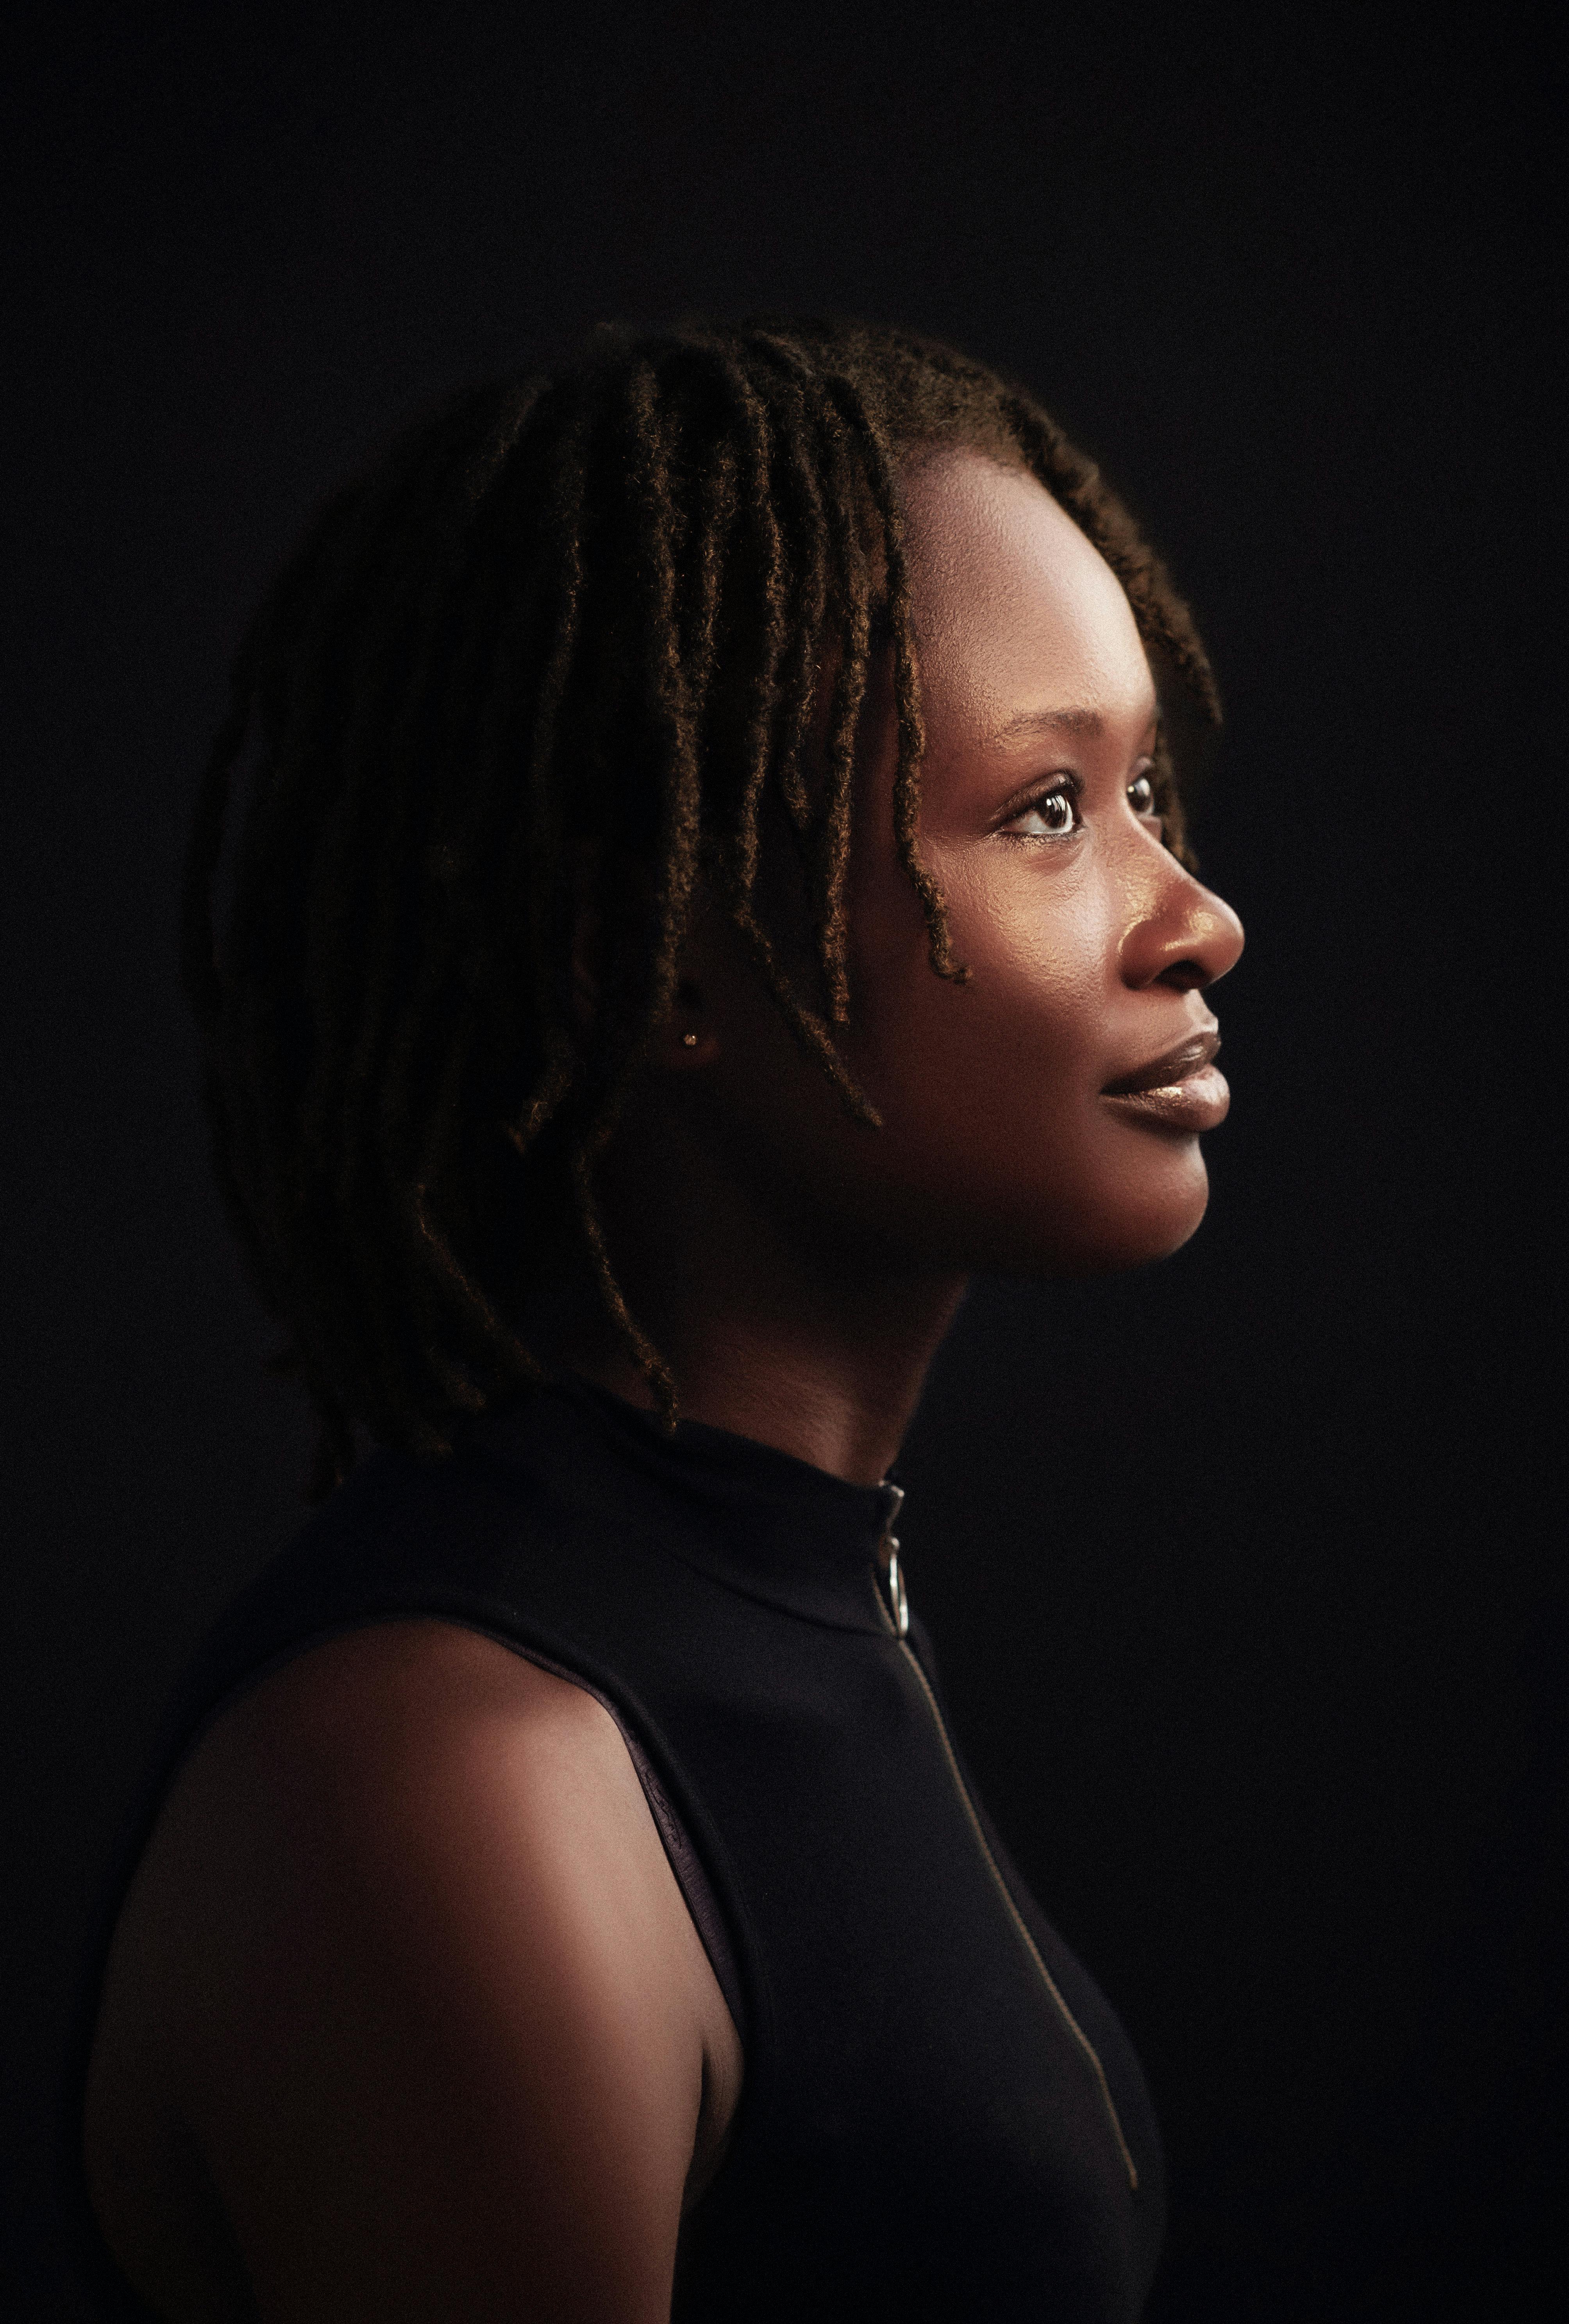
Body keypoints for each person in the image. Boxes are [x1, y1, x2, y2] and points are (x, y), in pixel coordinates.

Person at [75, 319, 1244, 2322]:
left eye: (1149, 791)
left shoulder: (795, 1605)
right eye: (1045, 809)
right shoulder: (463, 1783)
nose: (1192, 915)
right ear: (670, 954)